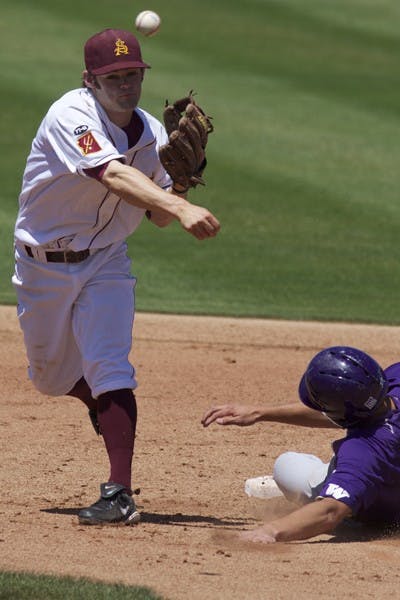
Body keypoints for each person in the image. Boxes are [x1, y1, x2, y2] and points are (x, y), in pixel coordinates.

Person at [12, 28, 220, 526]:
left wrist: (180, 185)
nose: (127, 85)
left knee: (110, 363)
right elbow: (111, 174)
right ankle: (96, 401)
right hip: (43, 264)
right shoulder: (70, 115)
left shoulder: (151, 132)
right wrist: (174, 200)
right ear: (90, 80)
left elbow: (160, 216)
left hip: (107, 260)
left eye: (133, 75)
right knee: (48, 378)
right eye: (114, 78)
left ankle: (118, 492)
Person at [202, 346, 400, 542]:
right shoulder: (395, 377)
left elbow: (330, 512)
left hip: (384, 512)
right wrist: (260, 413)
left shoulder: (362, 452)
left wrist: (269, 531)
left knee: (286, 465)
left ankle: (333, 487)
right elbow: (350, 414)